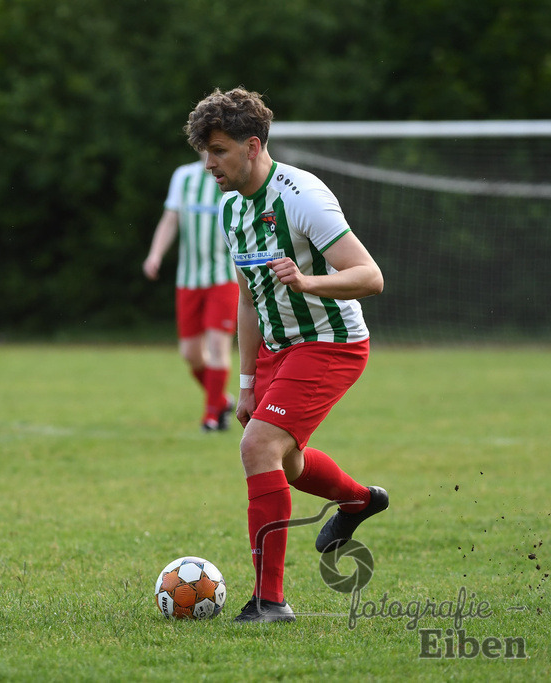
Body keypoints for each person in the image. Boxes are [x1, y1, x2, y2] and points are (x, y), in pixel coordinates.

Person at [184, 87, 389, 623]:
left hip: (330, 344)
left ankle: (270, 600)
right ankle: (359, 501)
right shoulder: (231, 209)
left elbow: (370, 277)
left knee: (257, 449)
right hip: (278, 349)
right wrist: (247, 382)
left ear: (253, 146)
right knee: (287, 460)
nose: (210, 164)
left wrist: (308, 281)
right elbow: (249, 300)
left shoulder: (302, 195)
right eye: (206, 152)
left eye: (220, 150)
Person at [143, 152, 238, 431]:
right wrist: (155, 255)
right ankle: (221, 399)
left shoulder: (233, 179)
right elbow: (170, 219)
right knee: (190, 354)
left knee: (218, 347)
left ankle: (211, 417)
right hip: (188, 279)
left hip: (224, 276)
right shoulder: (183, 177)